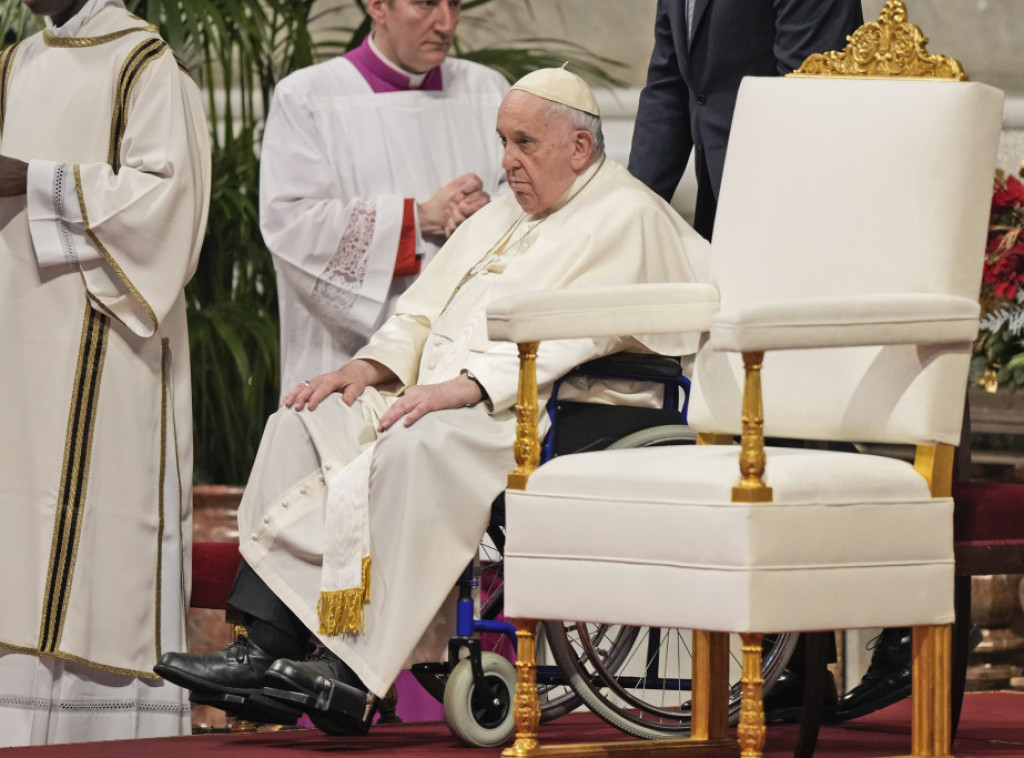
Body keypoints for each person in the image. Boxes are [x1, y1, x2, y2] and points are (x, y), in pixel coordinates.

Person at [154, 66, 711, 734]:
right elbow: (421, 309)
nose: (507, 160)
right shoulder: (507, 209)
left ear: (579, 148)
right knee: (302, 421)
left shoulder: (627, 215)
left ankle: (351, 674)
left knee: (420, 446)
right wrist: (365, 368)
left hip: (541, 411)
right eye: (503, 140)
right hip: (447, 398)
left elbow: (583, 334)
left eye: (524, 143)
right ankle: (268, 650)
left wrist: (471, 386)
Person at [0, 0, 211, 746]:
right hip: (17, 345)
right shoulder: (16, 63)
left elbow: (169, 206)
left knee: (96, 560)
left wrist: (37, 179)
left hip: (107, 343)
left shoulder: (145, 66)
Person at [262, 0, 508, 397]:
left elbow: (523, 199)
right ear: (378, 6)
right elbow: (292, 226)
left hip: (462, 357)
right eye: (426, 4)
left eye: (455, 5)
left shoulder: (488, 90)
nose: (446, 23)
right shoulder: (307, 96)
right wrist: (419, 218)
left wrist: (483, 215)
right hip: (345, 360)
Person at [628, 0, 863, 240]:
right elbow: (668, 88)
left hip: (793, 205)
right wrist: (629, 211)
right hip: (717, 198)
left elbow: (804, 99)